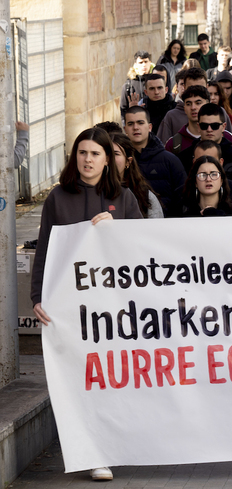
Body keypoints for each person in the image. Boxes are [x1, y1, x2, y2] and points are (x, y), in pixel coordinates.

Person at [31, 128, 144, 482]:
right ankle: (91, 452)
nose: (88, 159)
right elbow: (46, 251)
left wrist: (119, 229)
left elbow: (144, 250)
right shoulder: (56, 198)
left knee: (109, 378)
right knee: (79, 380)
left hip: (112, 311)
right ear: (74, 156)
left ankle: (106, 450)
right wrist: (37, 296)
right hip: (69, 309)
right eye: (82, 153)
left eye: (95, 153)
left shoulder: (124, 198)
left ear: (107, 159)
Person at [123, 106, 186, 215]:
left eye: (140, 123)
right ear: (125, 130)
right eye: (130, 124)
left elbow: (183, 198)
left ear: (150, 127)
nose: (135, 127)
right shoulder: (119, 162)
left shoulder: (170, 161)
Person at [109, 132, 163, 218]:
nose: (110, 158)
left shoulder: (145, 196)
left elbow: (156, 229)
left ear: (128, 161)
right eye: (107, 153)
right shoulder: (93, 191)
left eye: (116, 154)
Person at [120, 51, 153, 119]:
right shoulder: (129, 84)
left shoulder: (156, 79)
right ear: (135, 64)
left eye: (146, 62)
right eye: (141, 62)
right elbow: (123, 109)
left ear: (150, 62)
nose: (144, 65)